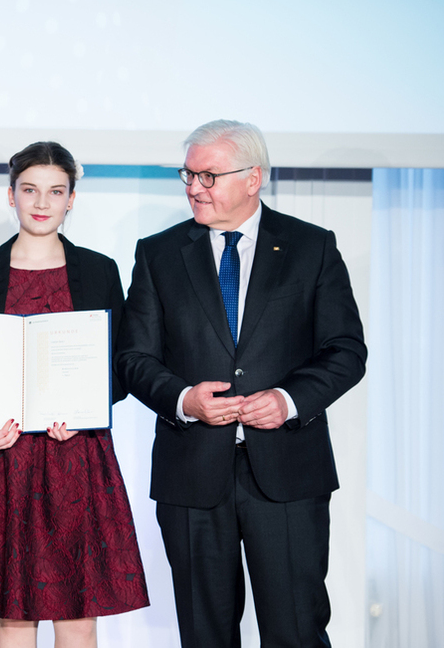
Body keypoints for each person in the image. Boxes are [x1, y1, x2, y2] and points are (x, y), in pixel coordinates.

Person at [116, 120, 367, 647]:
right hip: (192, 476)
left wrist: (288, 399)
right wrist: (184, 400)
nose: (193, 187)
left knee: (296, 632)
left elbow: (346, 352)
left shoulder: (310, 247)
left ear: (253, 178)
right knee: (205, 637)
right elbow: (134, 358)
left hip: (287, 474)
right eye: (188, 175)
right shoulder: (157, 254)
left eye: (208, 175)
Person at [0, 142, 149, 647]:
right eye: (30, 190)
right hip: (0, 457)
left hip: (74, 453)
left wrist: (85, 407)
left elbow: (120, 364)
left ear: (72, 198)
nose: (42, 202)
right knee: (13, 614)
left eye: (55, 191)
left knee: (77, 612)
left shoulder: (99, 270)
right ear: (11, 195)